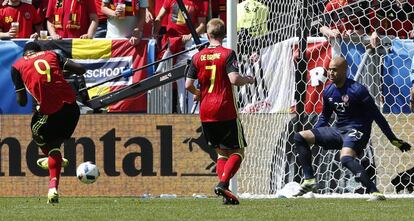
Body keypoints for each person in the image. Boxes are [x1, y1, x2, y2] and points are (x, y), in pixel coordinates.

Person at [293, 56, 411, 201]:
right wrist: (316, 133)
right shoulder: (328, 91)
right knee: (300, 136)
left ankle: (375, 192)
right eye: (329, 69)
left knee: (346, 158)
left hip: (357, 130)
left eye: (334, 70)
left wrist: (393, 139)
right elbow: (324, 117)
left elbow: (377, 116)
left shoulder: (358, 90)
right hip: (338, 130)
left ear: (344, 70)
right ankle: (309, 179)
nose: (330, 73)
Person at [185, 18, 255, 205]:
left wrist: (199, 93)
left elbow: (188, 84)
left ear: (207, 35)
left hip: (206, 110)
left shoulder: (197, 56)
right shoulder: (228, 54)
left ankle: (225, 191)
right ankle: (223, 184)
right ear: (224, 35)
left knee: (221, 153)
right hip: (225, 108)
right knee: (238, 151)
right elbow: (233, 79)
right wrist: (248, 79)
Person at [11, 41, 86, 204]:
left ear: (25, 54)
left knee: (37, 134)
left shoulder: (17, 66)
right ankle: (53, 186)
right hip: (72, 110)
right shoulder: (52, 55)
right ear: (40, 51)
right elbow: (81, 69)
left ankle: (51, 158)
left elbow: (22, 101)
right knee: (55, 146)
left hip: (49, 111)